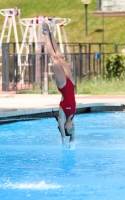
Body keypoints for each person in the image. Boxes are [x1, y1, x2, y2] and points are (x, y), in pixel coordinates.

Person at [42, 20, 76, 149]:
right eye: (73, 129)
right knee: (60, 56)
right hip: (71, 85)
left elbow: (61, 127)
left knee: (54, 58)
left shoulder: (62, 116)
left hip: (63, 85)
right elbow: (73, 136)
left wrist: (64, 138)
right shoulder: (72, 117)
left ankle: (45, 33)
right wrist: (72, 139)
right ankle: (50, 32)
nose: (72, 127)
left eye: (70, 129)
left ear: (65, 128)